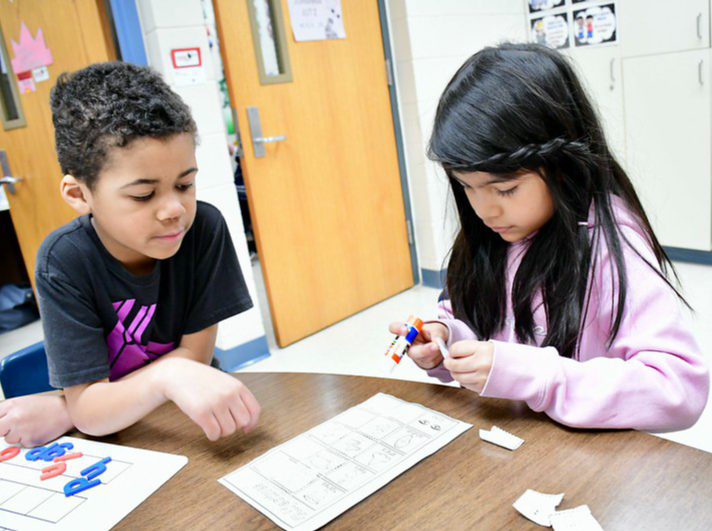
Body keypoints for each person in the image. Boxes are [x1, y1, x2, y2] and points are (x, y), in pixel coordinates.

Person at [390, 43, 709, 431]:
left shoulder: (610, 245)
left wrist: (539, 377)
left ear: (562, 167)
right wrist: (445, 339)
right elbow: (483, 322)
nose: (485, 210)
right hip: (515, 447)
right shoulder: (495, 235)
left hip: (585, 467)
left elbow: (678, 388)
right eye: (466, 187)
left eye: (505, 189)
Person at [0, 62, 260, 447]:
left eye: (185, 184)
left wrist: (67, 408)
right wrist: (164, 378)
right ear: (78, 194)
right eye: (143, 195)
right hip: (123, 438)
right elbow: (91, 410)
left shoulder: (203, 229)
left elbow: (196, 360)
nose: (174, 209)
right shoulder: (64, 261)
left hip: (185, 417)